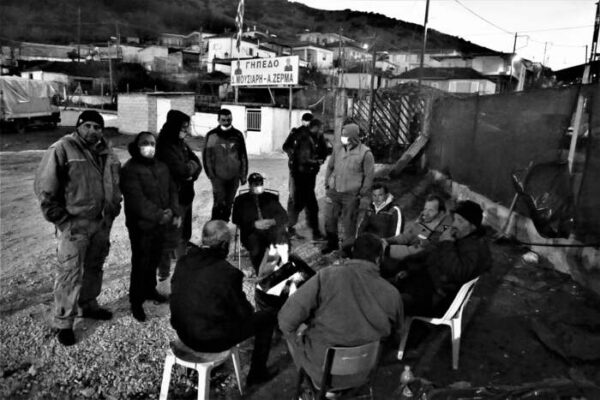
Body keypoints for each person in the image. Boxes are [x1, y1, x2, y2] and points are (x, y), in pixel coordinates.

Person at [33, 110, 122, 346]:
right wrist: (62, 220)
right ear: (78, 127)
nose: (93, 131)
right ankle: (64, 322)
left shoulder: (107, 152)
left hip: (101, 223)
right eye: (88, 125)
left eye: (97, 127)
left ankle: (88, 305)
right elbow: (45, 187)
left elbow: (115, 184)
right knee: (70, 272)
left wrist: (114, 207)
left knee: (95, 266)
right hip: (75, 224)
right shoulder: (63, 148)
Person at [278, 233, 403, 388]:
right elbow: (396, 336)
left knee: (294, 331)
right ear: (378, 259)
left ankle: (307, 383)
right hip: (364, 373)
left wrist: (299, 336)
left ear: (352, 253)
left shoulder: (328, 275)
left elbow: (285, 320)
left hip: (322, 373)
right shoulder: (393, 294)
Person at [170, 220, 278, 386]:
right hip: (209, 341)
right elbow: (244, 314)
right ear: (223, 245)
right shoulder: (228, 273)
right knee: (267, 318)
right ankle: (257, 374)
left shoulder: (183, 261)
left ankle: (197, 370)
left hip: (183, 333)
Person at [393, 200, 492, 317]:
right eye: (454, 219)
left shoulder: (474, 248)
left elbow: (457, 272)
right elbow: (433, 254)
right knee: (389, 284)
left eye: (460, 221)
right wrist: (410, 270)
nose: (454, 224)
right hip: (426, 284)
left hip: (435, 299)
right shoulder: (460, 237)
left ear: (473, 226)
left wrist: (446, 243)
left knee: (390, 301)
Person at [121, 132, 181, 322]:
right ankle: (136, 301)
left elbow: (172, 189)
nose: (150, 147)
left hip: (161, 224)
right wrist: (160, 215)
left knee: (154, 258)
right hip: (141, 226)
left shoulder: (161, 166)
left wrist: (174, 210)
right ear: (137, 145)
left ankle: (149, 289)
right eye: (145, 143)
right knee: (141, 263)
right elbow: (136, 200)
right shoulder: (130, 169)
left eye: (153, 143)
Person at [156, 110, 202, 264]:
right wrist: (189, 170)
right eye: (183, 128)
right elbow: (181, 170)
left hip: (186, 194)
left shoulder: (181, 143)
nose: (186, 131)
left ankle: (178, 256)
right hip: (174, 197)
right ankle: (178, 263)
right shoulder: (165, 145)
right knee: (176, 232)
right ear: (174, 127)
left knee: (185, 232)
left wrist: (191, 173)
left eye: (187, 127)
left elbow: (197, 163)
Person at [322, 123, 375, 254]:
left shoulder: (365, 153)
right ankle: (332, 244)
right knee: (329, 219)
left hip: (351, 195)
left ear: (353, 136)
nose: (342, 137)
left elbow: (369, 175)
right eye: (342, 134)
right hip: (334, 191)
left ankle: (347, 248)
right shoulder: (338, 149)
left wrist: (362, 192)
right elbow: (330, 166)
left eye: (345, 135)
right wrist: (327, 182)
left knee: (349, 223)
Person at [232, 173, 288, 273]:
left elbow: (284, 216)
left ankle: (280, 267)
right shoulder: (240, 200)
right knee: (256, 246)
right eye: (256, 184)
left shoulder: (270, 197)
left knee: (281, 240)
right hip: (251, 231)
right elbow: (236, 220)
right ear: (249, 185)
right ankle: (261, 271)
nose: (259, 186)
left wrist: (273, 221)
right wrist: (254, 224)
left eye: (261, 183)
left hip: (271, 230)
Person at [382, 194, 452, 274]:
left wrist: (387, 250)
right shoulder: (424, 219)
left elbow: (421, 250)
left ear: (441, 213)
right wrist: (387, 241)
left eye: (431, 210)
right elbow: (406, 236)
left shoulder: (445, 229)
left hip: (423, 267)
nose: (426, 213)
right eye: (425, 209)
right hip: (411, 258)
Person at [285, 119, 328, 241]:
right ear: (315, 127)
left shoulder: (316, 138)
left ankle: (289, 228)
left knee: (301, 205)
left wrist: (319, 159)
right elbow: (303, 158)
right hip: (301, 177)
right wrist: (316, 162)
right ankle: (313, 233)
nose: (322, 131)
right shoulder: (305, 138)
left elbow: (324, 151)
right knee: (307, 205)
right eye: (320, 128)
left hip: (307, 176)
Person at [203, 108, 248, 222]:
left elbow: (243, 155)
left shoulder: (238, 135)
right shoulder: (212, 135)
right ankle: (215, 226)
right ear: (218, 120)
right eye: (223, 120)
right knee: (219, 203)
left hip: (234, 176)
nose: (227, 122)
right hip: (218, 177)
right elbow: (207, 156)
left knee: (229, 203)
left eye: (229, 119)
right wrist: (211, 175)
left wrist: (243, 175)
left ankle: (224, 225)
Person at [283, 112, 313, 238]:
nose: (306, 123)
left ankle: (290, 223)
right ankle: (288, 226)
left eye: (308, 121)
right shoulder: (295, 132)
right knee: (293, 196)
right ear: (302, 121)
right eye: (305, 120)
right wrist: (293, 155)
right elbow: (285, 146)